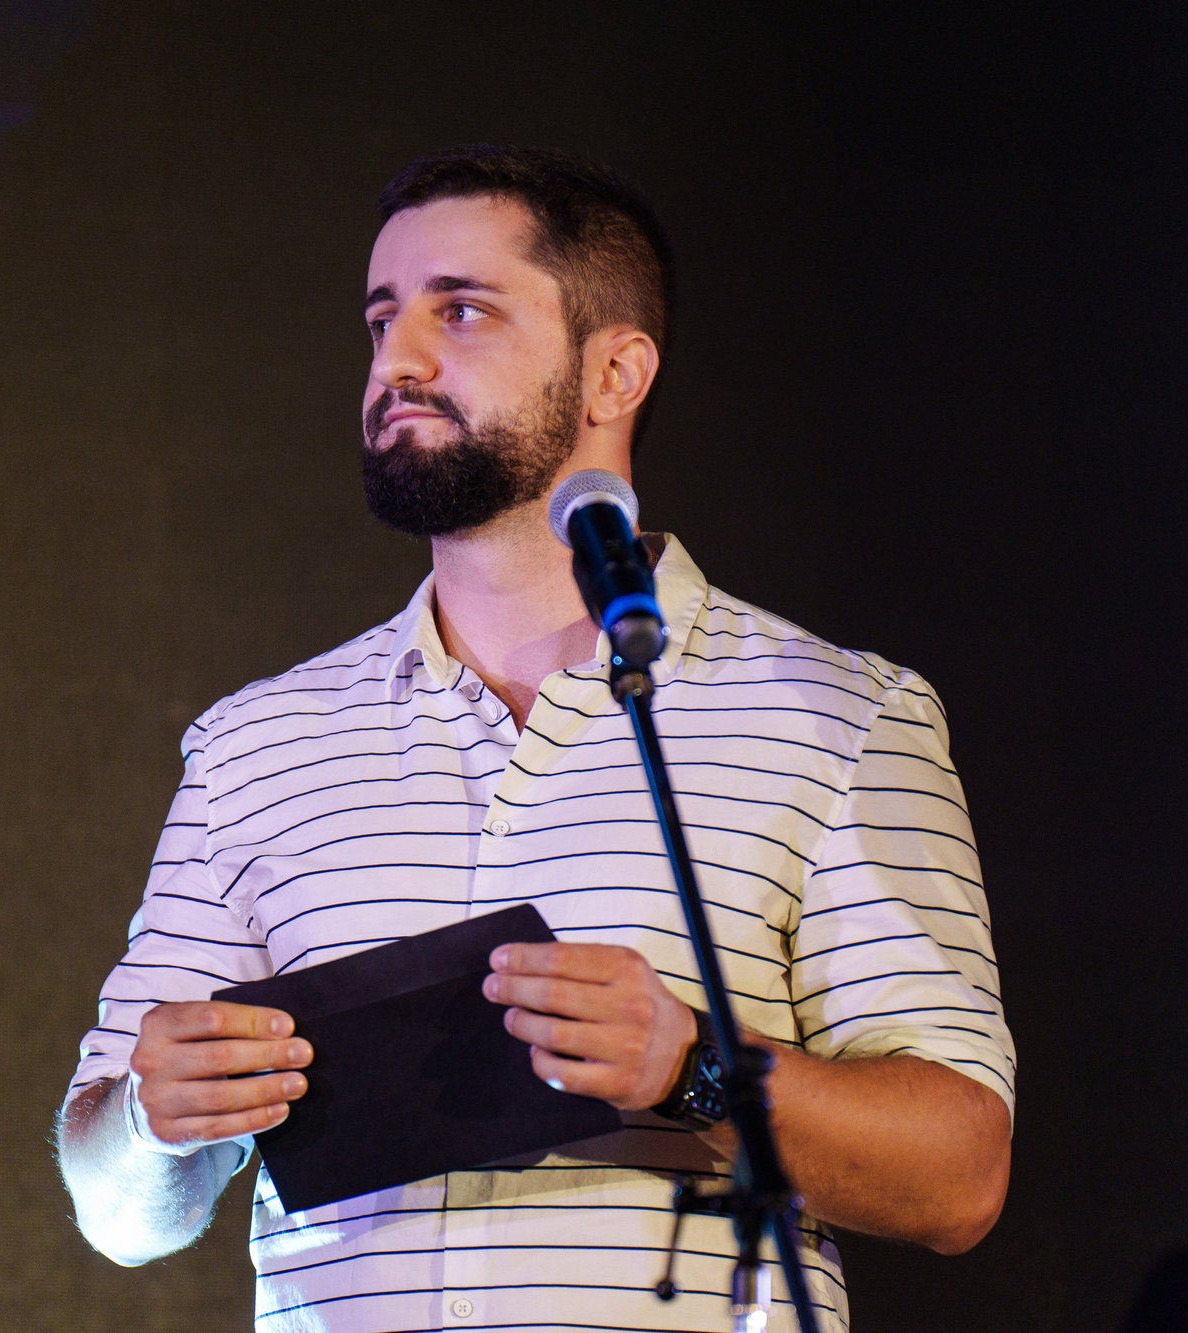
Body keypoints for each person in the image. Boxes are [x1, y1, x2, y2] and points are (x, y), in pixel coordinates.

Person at [56, 144, 1014, 1333]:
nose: (397, 361)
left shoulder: (840, 715)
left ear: (615, 371)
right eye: (381, 320)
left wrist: (691, 1067)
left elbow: (958, 1177)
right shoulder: (256, 747)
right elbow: (118, 1210)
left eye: (459, 311)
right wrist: (150, 1122)